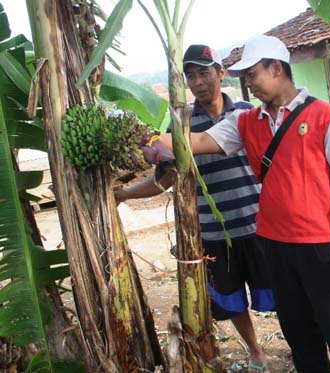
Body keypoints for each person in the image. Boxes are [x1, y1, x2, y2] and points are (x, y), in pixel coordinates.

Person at [139, 35, 330, 372]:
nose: (248, 83)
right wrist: (145, 137)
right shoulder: (246, 121)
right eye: (245, 76)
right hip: (275, 246)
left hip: (323, 246)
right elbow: (200, 141)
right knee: (300, 334)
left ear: (276, 69)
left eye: (253, 74)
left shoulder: (325, 116)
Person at [115, 44, 273, 372]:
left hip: (259, 227)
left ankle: (301, 343)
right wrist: (126, 194)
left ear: (221, 73)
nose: (197, 81)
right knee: (231, 301)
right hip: (214, 233)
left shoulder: (247, 112)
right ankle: (256, 351)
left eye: (204, 72)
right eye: (190, 75)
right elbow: (167, 179)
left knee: (281, 291)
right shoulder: (181, 124)